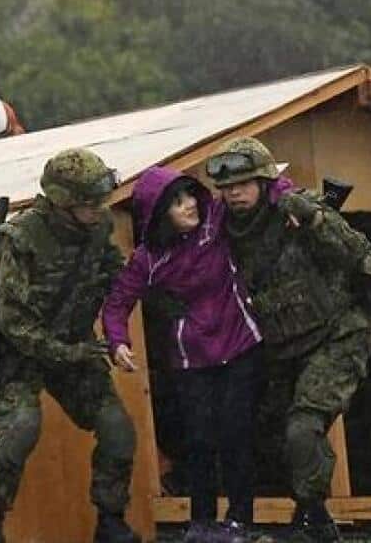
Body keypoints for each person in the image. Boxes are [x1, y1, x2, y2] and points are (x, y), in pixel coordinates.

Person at [206, 137, 371, 543]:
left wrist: (316, 219)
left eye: (243, 185)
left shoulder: (296, 211)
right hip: (283, 347)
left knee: (303, 428)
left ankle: (316, 518)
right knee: (264, 431)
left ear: (264, 182)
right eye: (227, 188)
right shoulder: (220, 228)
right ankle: (299, 509)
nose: (234, 194)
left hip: (338, 333)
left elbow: (356, 252)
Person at [0, 148, 138, 543]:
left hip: (74, 345)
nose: (99, 209)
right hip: (22, 352)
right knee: (18, 429)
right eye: (89, 203)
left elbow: (114, 271)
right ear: (63, 203)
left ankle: (111, 519)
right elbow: (11, 319)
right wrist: (67, 352)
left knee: (117, 428)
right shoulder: (22, 237)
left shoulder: (98, 226)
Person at [101, 166, 264, 543]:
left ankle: (241, 520)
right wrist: (118, 342)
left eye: (189, 194)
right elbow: (117, 302)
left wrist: (294, 202)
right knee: (199, 439)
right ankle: (201, 521)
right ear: (160, 214)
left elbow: (265, 189)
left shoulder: (214, 222)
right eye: (176, 202)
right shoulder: (148, 258)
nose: (189, 204)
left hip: (241, 344)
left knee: (237, 433)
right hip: (192, 359)